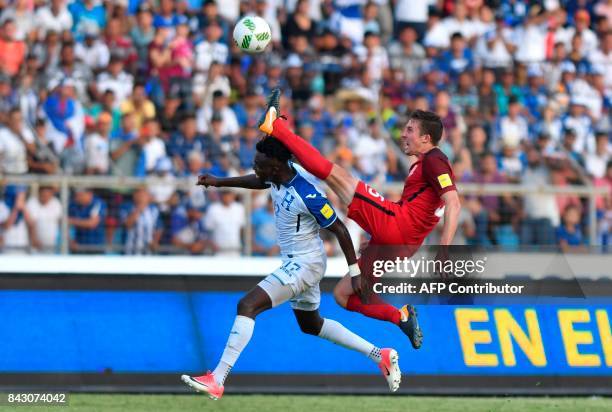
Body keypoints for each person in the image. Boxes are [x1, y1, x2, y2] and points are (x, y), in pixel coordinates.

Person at [181, 137, 401, 399]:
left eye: (259, 165)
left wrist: (356, 274)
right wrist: (219, 182)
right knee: (311, 324)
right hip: (297, 262)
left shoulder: (306, 194)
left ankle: (217, 379)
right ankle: (380, 355)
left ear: (275, 166)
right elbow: (259, 180)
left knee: (247, 305)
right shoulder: (275, 175)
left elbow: (340, 229)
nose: (256, 169)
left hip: (305, 264)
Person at [259, 89, 462, 349]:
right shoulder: (425, 163)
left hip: (397, 227)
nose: (403, 134)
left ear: (426, 138)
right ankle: (399, 317)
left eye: (410, 130)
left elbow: (453, 203)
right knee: (343, 294)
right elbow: (423, 209)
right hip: (404, 243)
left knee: (335, 174)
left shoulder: (435, 160)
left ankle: (276, 127)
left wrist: (445, 250)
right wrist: (381, 239)